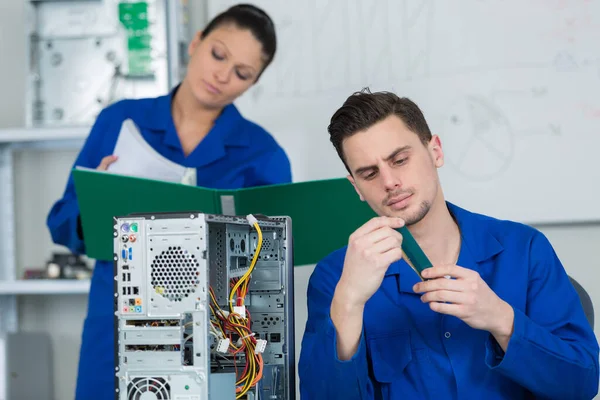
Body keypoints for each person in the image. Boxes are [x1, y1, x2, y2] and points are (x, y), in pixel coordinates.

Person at [47, 4, 291, 399]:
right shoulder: (119, 121)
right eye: (218, 54)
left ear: (252, 83)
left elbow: (270, 271)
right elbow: (61, 220)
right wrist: (98, 200)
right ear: (195, 43)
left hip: (216, 337)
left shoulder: (263, 154)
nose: (222, 76)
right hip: (120, 325)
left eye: (242, 73)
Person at [298, 88, 599, 399]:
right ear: (356, 187)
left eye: (400, 159)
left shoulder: (524, 250)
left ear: (436, 151)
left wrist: (501, 319)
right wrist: (348, 302)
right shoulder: (335, 277)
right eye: (369, 173)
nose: (389, 182)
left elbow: (581, 384)